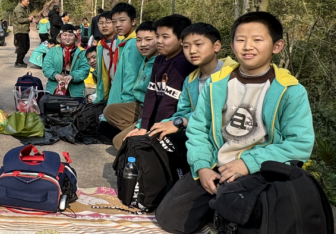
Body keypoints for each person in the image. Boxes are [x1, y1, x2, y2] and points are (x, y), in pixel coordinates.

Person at [155, 12, 315, 234]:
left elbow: (300, 144)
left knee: (252, 226)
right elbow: (199, 128)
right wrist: (202, 167)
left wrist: (248, 163)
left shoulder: (290, 90)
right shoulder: (217, 83)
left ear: (277, 46)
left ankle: (226, 210)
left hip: (259, 169)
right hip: (217, 164)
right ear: (232, 45)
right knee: (170, 219)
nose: (248, 46)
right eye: (241, 40)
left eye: (257, 40)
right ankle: (220, 207)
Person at [146, 23, 236, 142]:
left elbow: (218, 114)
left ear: (216, 46)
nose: (192, 51)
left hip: (228, 139)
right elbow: (183, 111)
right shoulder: (190, 80)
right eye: (186, 46)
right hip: (197, 134)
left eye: (198, 44)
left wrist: (181, 121)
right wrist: (167, 123)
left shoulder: (233, 75)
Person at [126, 14, 195, 143]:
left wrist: (154, 133)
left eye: (165, 37)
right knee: (123, 141)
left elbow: (169, 103)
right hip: (155, 120)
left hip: (173, 124)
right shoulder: (159, 60)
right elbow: (151, 95)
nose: (159, 41)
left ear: (181, 39)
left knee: (129, 145)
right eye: (157, 36)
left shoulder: (183, 63)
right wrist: (144, 127)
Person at [100, 22, 161, 149]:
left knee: (119, 142)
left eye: (148, 39)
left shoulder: (159, 63)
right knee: (109, 111)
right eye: (139, 40)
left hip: (151, 111)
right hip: (139, 105)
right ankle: (139, 132)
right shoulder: (145, 59)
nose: (143, 44)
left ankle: (148, 137)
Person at [105, 3, 142, 105]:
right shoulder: (125, 42)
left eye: (122, 20)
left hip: (124, 101)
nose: (117, 25)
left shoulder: (133, 44)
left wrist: (126, 103)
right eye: (114, 21)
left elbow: (131, 75)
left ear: (133, 21)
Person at [42, 24, 91, 98]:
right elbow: (46, 66)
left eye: (71, 35)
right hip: (53, 88)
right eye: (64, 35)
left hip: (76, 91)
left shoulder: (82, 52)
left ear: (75, 37)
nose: (67, 38)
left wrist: (72, 76)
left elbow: (85, 69)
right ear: (60, 36)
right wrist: (55, 74)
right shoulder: (53, 50)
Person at [94, 10, 118, 103]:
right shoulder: (100, 45)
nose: (104, 26)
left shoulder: (121, 42)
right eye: (101, 23)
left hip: (123, 88)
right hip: (110, 88)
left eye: (108, 22)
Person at [13, 0, 34, 68]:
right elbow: (19, 20)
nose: (28, 2)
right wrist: (28, 19)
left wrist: (30, 19)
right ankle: (19, 62)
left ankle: (20, 61)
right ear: (22, 1)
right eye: (27, 1)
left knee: (26, 47)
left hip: (24, 30)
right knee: (22, 47)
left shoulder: (24, 8)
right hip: (20, 31)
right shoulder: (19, 9)